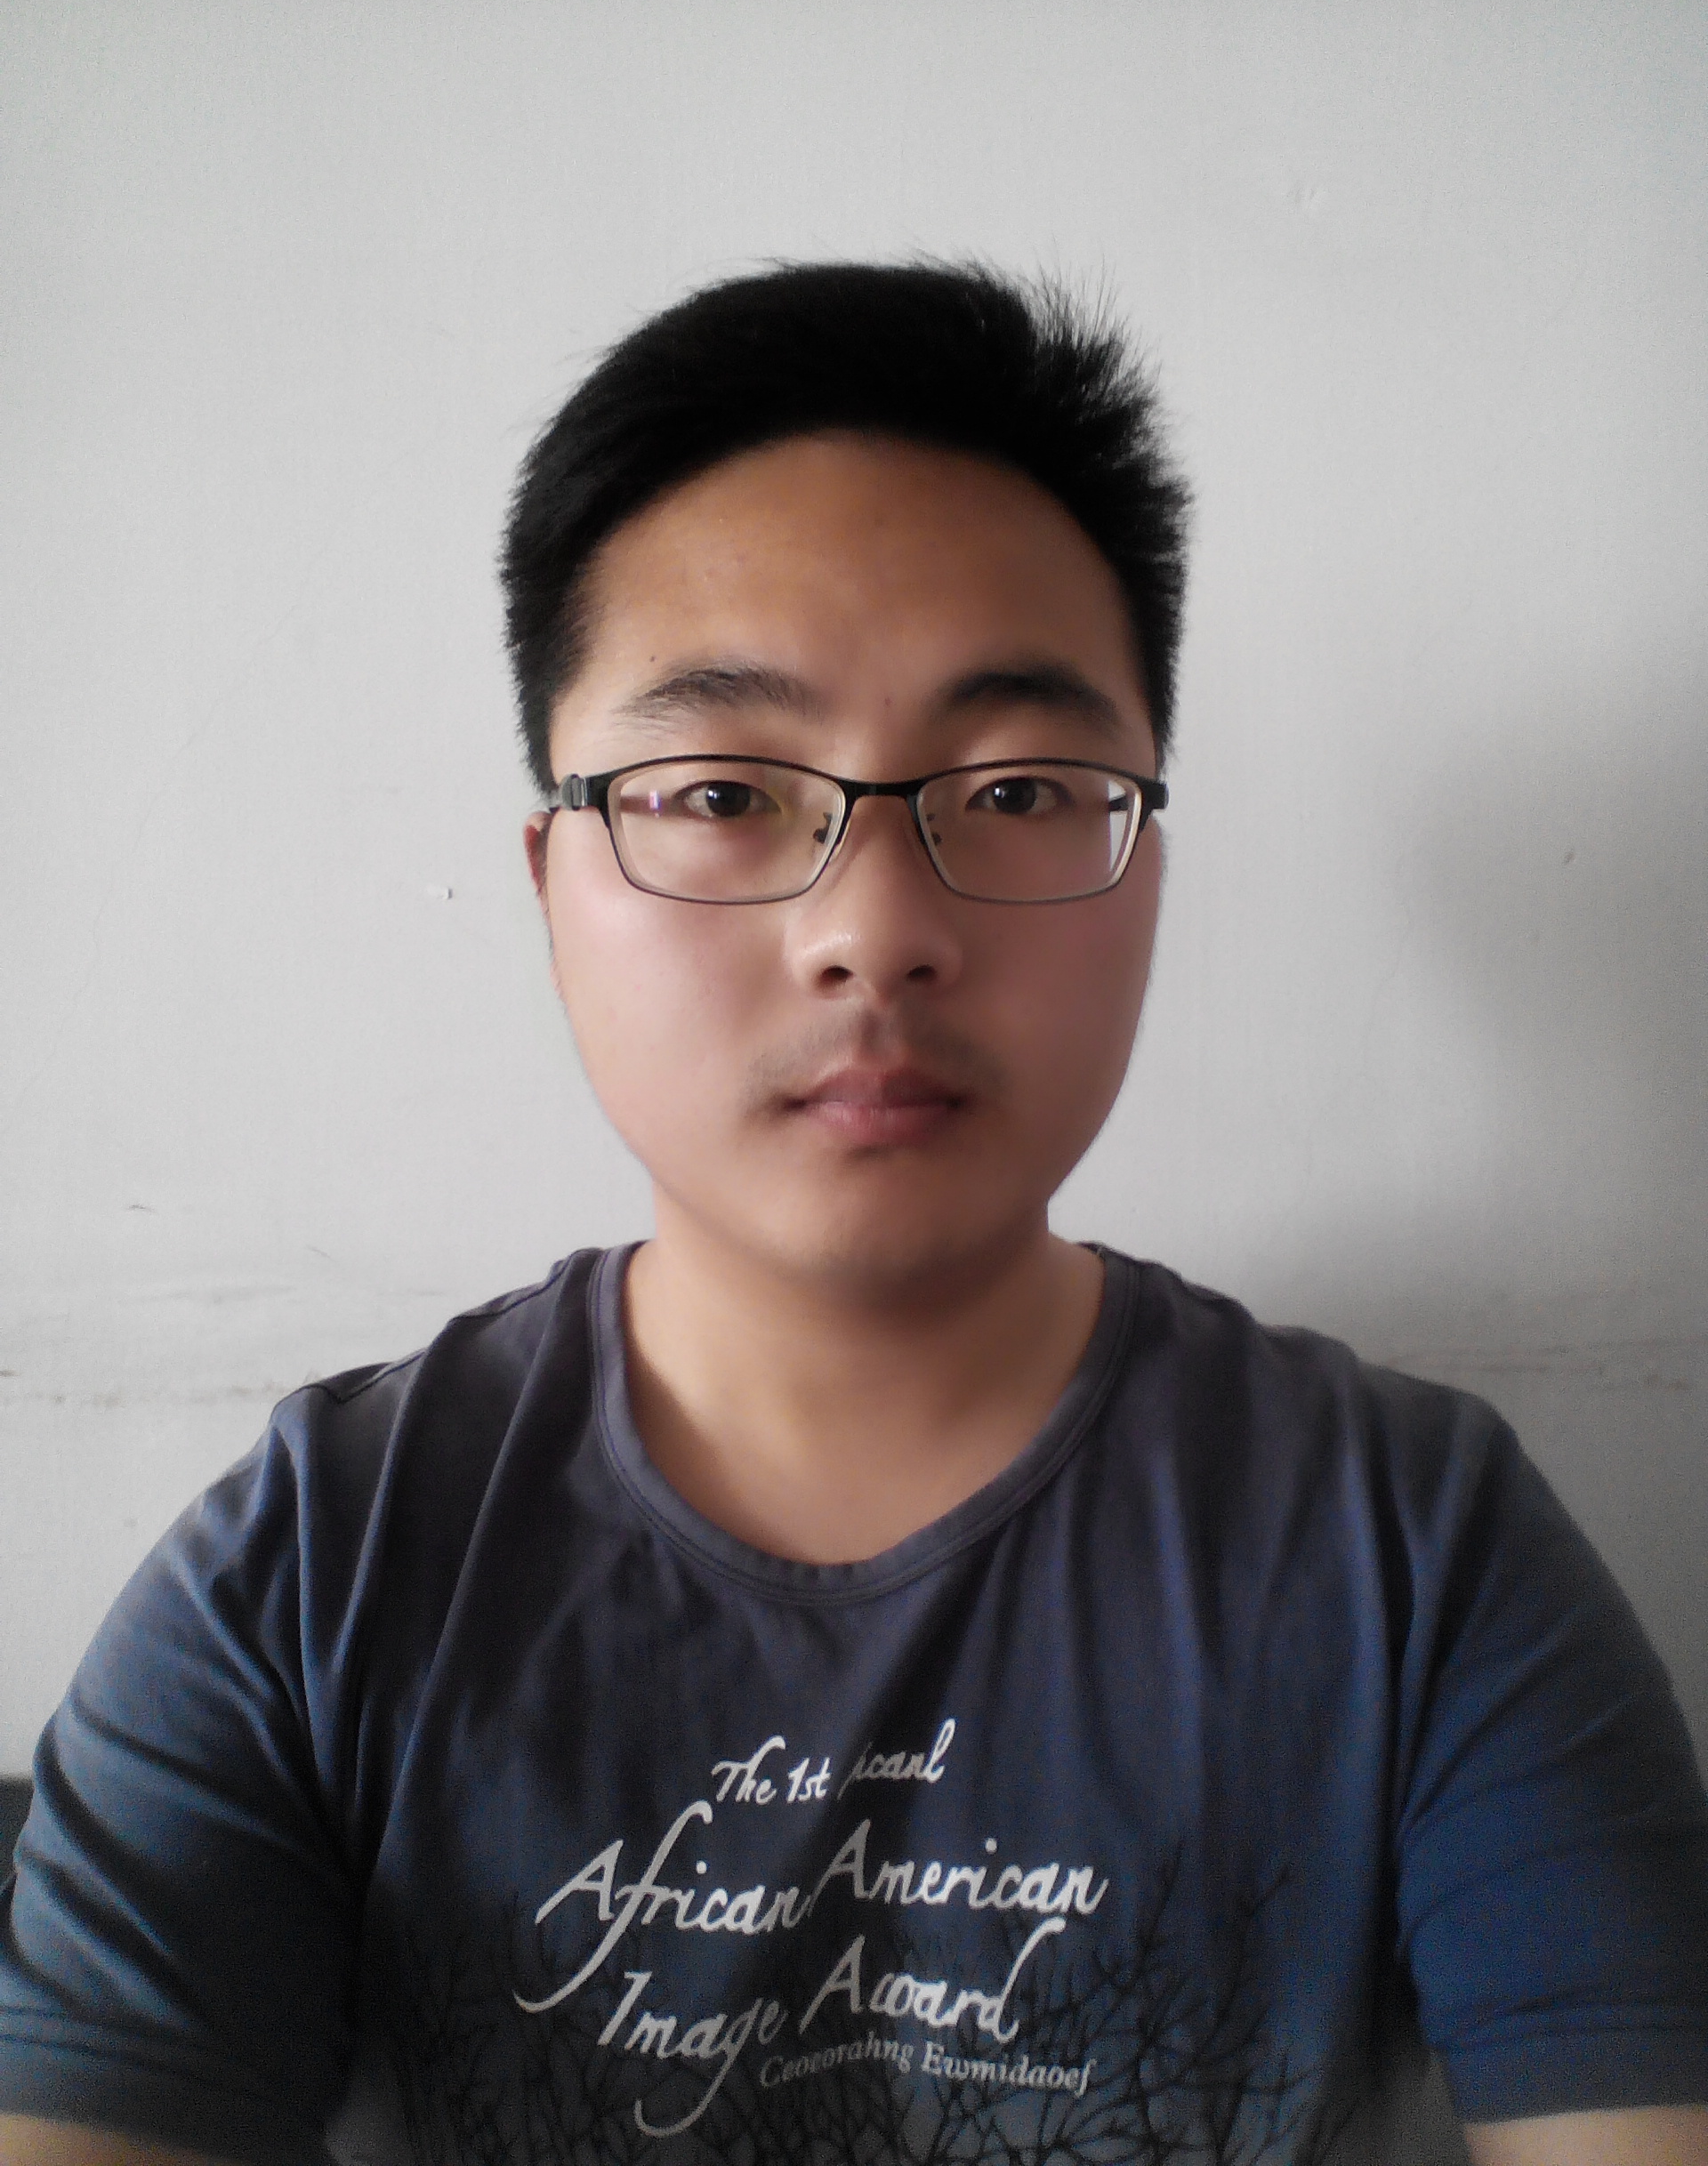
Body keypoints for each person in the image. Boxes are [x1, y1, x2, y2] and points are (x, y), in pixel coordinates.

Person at [2, 262, 1705, 2166]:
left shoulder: (1415, 1548)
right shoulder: (311, 1573)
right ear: (555, 883)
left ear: (1146, 867)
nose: (875, 928)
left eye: (1022, 787)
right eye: (724, 790)